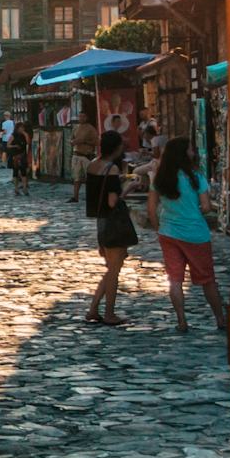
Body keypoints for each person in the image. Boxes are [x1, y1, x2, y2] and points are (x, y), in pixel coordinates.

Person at [145, 137, 228, 333]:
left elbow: (150, 208)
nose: (193, 152)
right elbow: (207, 207)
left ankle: (182, 320)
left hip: (168, 232)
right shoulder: (195, 177)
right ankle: (220, 319)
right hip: (195, 234)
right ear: (184, 153)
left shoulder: (160, 178)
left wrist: (158, 227)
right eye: (190, 149)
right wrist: (198, 209)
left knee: (175, 280)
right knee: (207, 280)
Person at [83, 130, 137, 327]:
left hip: (100, 220)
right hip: (114, 222)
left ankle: (94, 309)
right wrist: (129, 187)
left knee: (110, 269)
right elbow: (113, 200)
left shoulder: (92, 165)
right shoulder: (111, 169)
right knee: (114, 271)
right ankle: (109, 313)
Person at [68, 108, 100, 209]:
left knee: (89, 177)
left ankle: (91, 196)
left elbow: (97, 142)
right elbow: (71, 139)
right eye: (80, 116)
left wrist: (84, 141)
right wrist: (73, 142)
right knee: (77, 177)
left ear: (86, 117)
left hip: (86, 155)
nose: (81, 118)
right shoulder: (76, 127)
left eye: (83, 116)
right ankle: (75, 196)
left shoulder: (90, 128)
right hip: (76, 154)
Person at [6, 119, 32, 196]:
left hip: (22, 155)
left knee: (24, 172)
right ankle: (16, 188)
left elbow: (28, 142)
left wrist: (25, 134)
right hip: (15, 156)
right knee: (15, 172)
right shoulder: (13, 135)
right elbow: (8, 145)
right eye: (21, 128)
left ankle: (24, 188)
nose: (22, 129)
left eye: (23, 128)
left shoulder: (24, 135)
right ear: (17, 128)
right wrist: (15, 146)